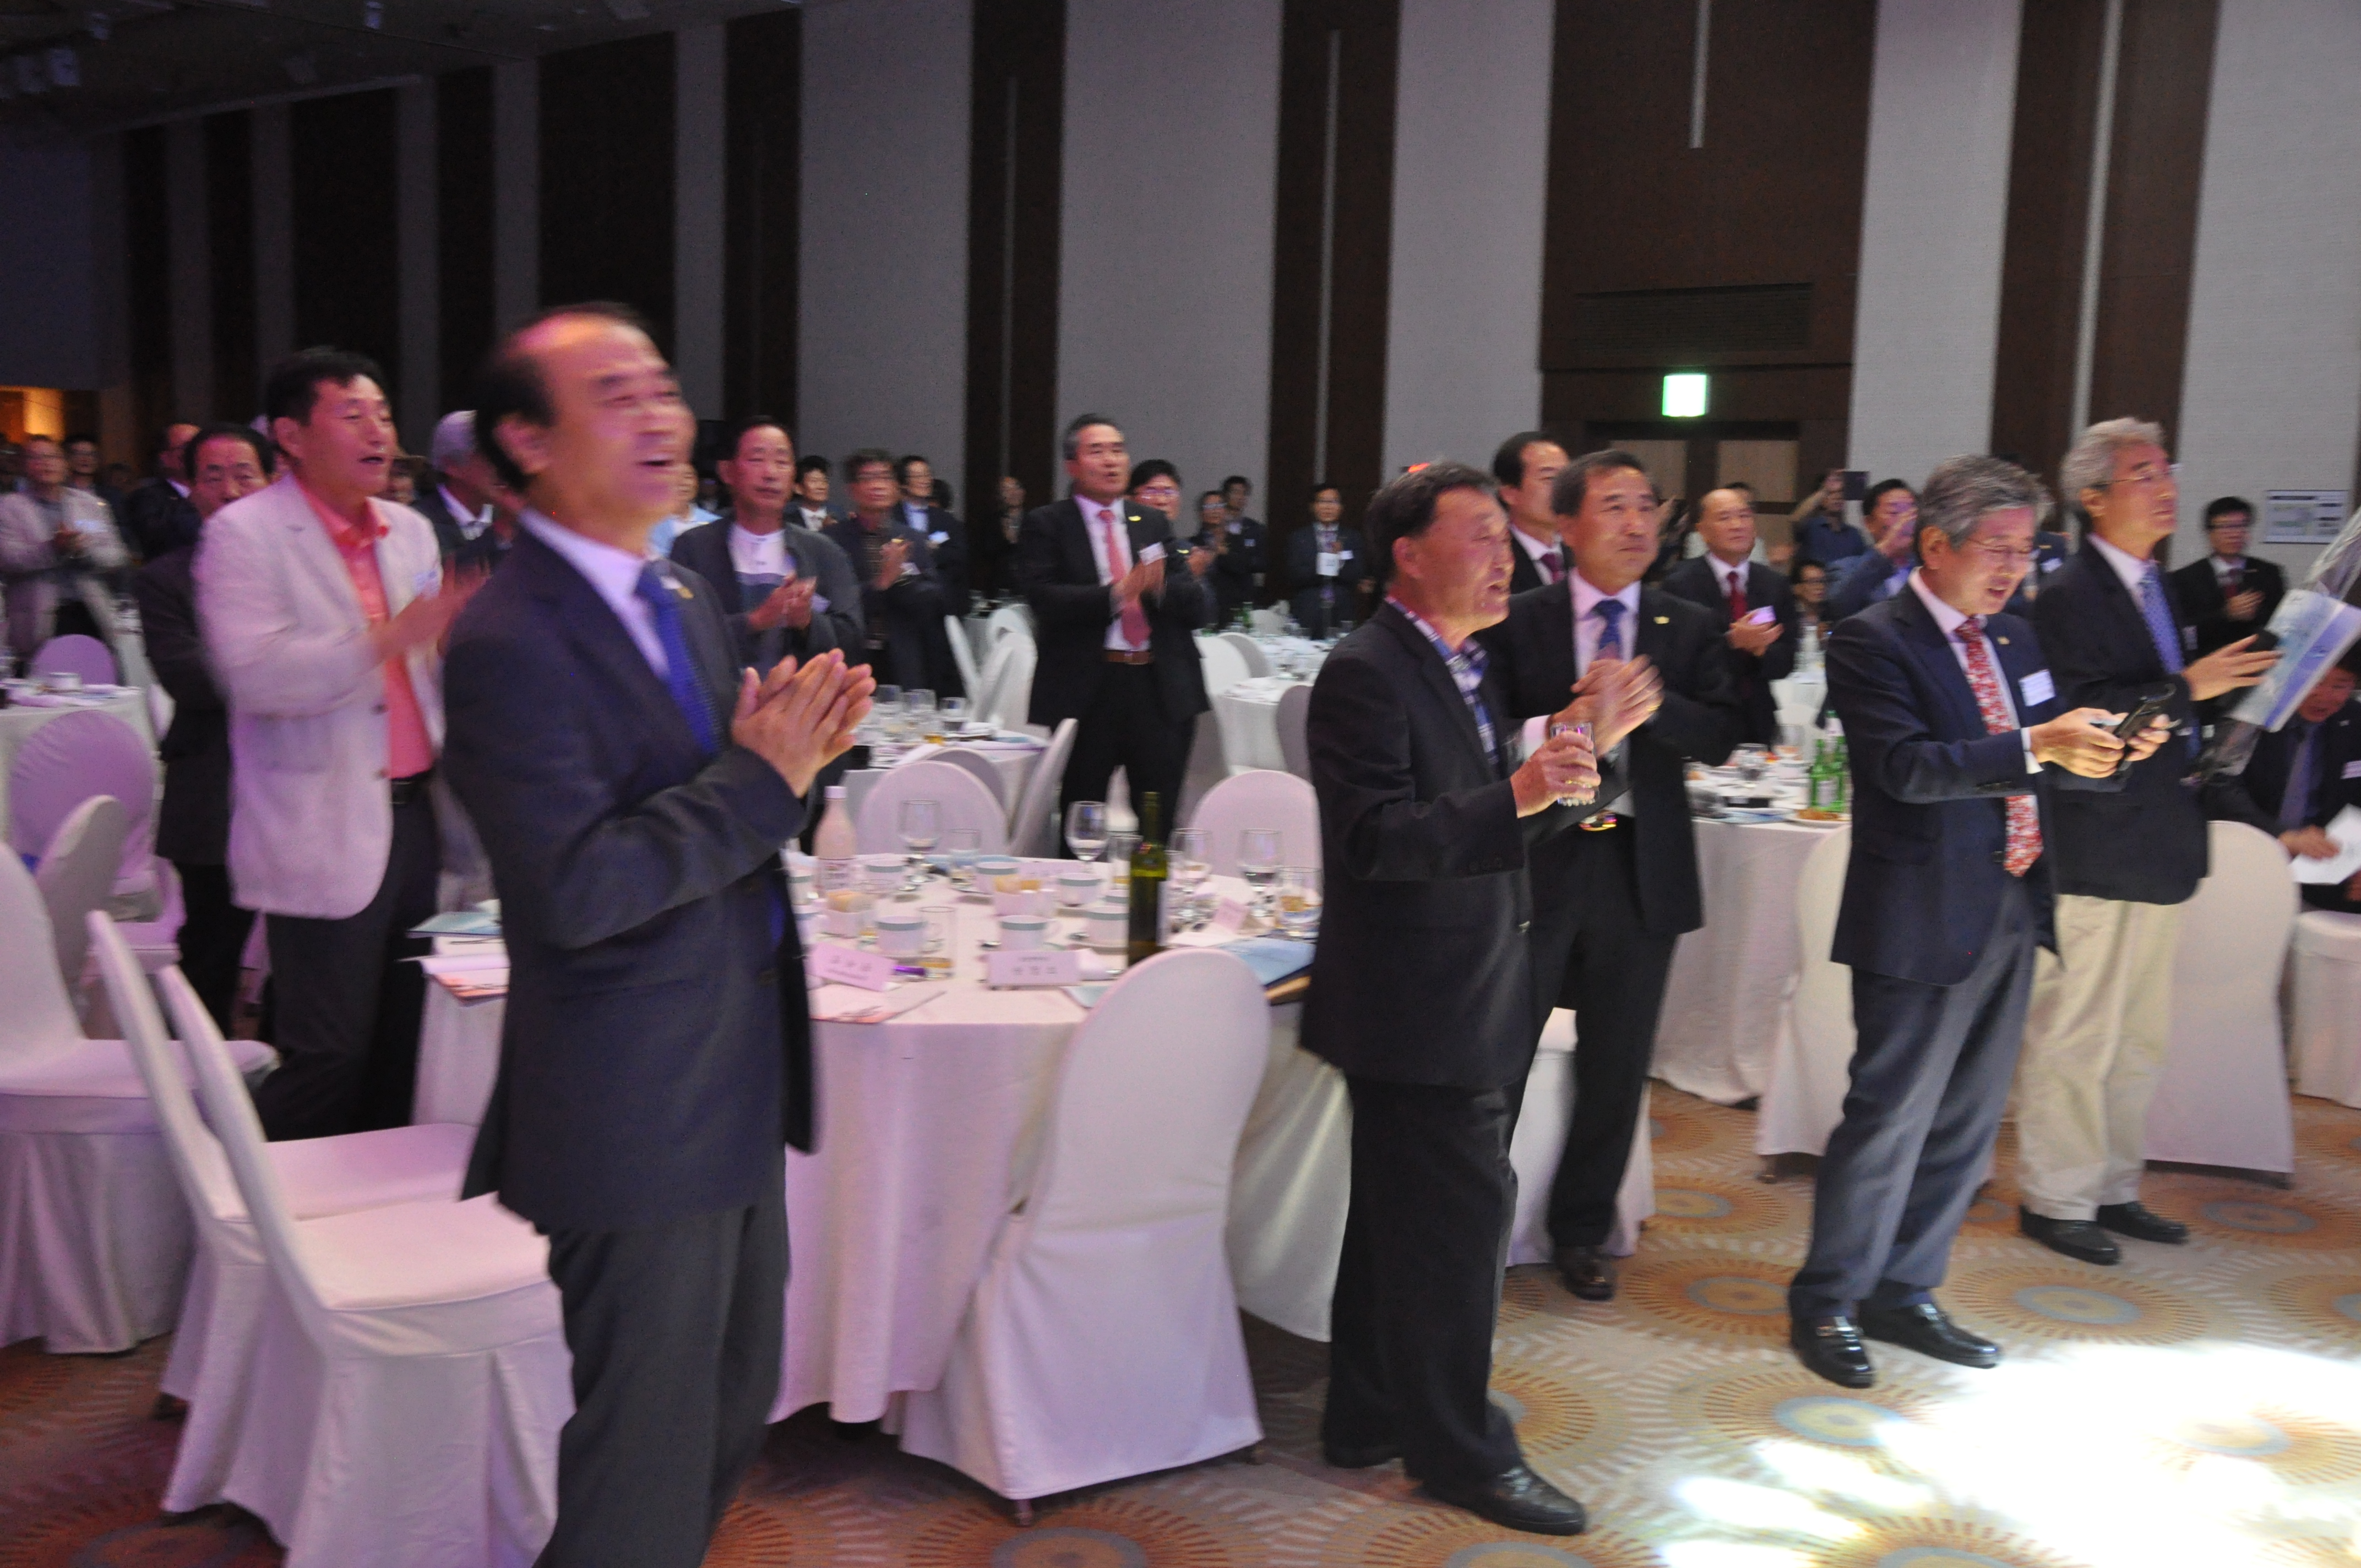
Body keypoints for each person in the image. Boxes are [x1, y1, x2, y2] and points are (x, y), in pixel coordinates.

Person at [443, 301, 872, 1568]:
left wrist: (789, 746)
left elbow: (716, 788)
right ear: (527, 440)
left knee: (728, 1406)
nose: (660, 418)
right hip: (630, 1100)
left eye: (663, 389)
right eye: (615, 395)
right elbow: (574, 889)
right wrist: (761, 778)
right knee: (642, 1450)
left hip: (732, 1068)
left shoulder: (679, 590)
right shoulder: (508, 636)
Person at [1788, 454, 2168, 1390]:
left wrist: (2111, 754)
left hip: (2010, 901)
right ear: (1934, 544)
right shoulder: (1872, 638)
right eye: (1994, 548)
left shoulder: (2015, 638)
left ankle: (1904, 1288)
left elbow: (2042, 763)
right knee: (1888, 1119)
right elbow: (1905, 769)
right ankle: (1828, 1299)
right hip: (1919, 912)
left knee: (1964, 1126)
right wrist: (2037, 743)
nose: (2011, 568)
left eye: (2025, 550)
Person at [1304, 461, 1598, 1535]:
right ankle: (1460, 1450)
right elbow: (1373, 839)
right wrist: (1516, 790)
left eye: (1500, 536)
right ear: (1407, 554)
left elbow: (1487, 828)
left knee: (1398, 1225)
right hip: (1414, 994)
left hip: (1464, 979)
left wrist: (1574, 776)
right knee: (1457, 1232)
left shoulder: (1460, 662)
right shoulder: (1365, 670)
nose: (1500, 556)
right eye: (1475, 534)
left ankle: (1365, 1413)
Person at [2016, 418, 2279, 1266]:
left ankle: (2112, 1185)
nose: (2167, 488)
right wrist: (2186, 687)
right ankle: (2056, 1198)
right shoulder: (2066, 595)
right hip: (2095, 843)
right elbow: (2085, 719)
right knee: (2079, 1032)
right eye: (2143, 475)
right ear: (2093, 498)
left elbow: (2163, 709)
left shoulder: (2158, 587)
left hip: (2159, 838)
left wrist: (2213, 709)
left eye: (2168, 471)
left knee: (2138, 1037)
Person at [1481, 449, 1739, 1301]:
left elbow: (1723, 735)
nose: (1636, 523)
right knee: (1500, 1055)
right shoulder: (1519, 617)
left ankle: (1581, 1231)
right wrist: (1569, 720)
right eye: (1614, 505)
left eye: (1646, 507)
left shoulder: (1684, 622)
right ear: (1566, 525)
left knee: (1617, 1065)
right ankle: (1476, 1226)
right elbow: (1487, 731)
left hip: (1640, 866)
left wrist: (1651, 706)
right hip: (1540, 862)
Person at [197, 346, 472, 1140]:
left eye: (383, 414)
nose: (379, 430)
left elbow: (423, 668)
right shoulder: (246, 535)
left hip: (416, 819)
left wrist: (455, 646)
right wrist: (387, 639)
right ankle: (244, 1194)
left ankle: (374, 1196)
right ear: (291, 435)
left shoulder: (410, 532)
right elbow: (255, 676)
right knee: (330, 1055)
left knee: (405, 1043)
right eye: (352, 415)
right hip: (320, 823)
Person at [130, 424, 274, 1028]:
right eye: (212, 476)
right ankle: (194, 1062)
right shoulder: (166, 579)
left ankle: (284, 1064)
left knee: (303, 950)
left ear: (272, 481)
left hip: (301, 780)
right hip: (214, 783)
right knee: (214, 944)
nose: (230, 489)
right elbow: (189, 678)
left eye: (244, 474)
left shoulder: (305, 568)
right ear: (190, 488)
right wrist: (296, 671)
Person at [1016, 413, 1211, 826]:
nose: (1111, 461)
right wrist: (1119, 593)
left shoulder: (1150, 521)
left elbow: (1195, 606)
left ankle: (1153, 871)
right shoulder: (1048, 524)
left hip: (1157, 687)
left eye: (1118, 451)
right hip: (1089, 687)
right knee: (1082, 816)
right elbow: (1044, 599)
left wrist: (1156, 587)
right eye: (1097, 451)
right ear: (1072, 465)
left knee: (1157, 820)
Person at [670, 415, 855, 672]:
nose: (771, 474)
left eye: (782, 462)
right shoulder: (693, 548)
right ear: (727, 471)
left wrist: (807, 621)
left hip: (798, 694)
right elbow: (676, 634)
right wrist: (755, 621)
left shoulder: (823, 551)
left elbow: (852, 639)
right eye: (757, 460)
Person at [2213, 651, 2361, 911]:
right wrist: (2282, 836)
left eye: (2340, 686)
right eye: (2315, 681)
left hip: (2322, 872)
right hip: (2242, 857)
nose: (2324, 696)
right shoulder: (2253, 712)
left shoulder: (2354, 721)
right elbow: (2219, 784)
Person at [1661, 486, 1797, 747]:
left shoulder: (1774, 584)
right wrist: (1732, 642)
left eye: (1745, 516)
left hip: (1758, 720)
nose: (1738, 525)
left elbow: (1787, 662)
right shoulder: (1680, 584)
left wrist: (1760, 650)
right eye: (1725, 518)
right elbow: (1676, 661)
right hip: (1700, 719)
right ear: (1702, 531)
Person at [824, 449, 962, 694]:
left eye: (885, 477)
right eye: (868, 478)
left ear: (897, 487)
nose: (878, 485)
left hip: (904, 656)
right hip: (852, 656)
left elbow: (936, 598)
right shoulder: (832, 541)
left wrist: (902, 577)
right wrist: (881, 582)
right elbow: (832, 604)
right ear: (851, 489)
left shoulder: (912, 538)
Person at [0, 433, 130, 662]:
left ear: (64, 463)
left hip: (90, 611)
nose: (45, 463)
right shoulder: (9, 507)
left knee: (100, 676)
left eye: (52, 457)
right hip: (38, 618)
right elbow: (8, 558)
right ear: (23, 466)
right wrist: (52, 549)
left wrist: (83, 552)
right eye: (36, 458)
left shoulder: (90, 504)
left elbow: (116, 554)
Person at [2172, 497, 2287, 660]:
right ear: (2209, 533)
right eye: (2226, 527)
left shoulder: (2269, 573)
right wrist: (2225, 614)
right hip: (2207, 663)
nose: (2235, 534)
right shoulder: (2184, 578)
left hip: (2257, 662)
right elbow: (2181, 631)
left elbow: (2282, 624)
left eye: (2242, 526)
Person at [413, 410, 503, 560]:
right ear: (452, 465)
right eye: (489, 455)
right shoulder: (416, 524)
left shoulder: (512, 519)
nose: (502, 465)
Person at [1285, 483, 1373, 636]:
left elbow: (1357, 574)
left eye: (1333, 502)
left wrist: (1340, 562)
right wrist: (1326, 563)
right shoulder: (1299, 538)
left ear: (1341, 507)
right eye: (1322, 501)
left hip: (1342, 610)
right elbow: (1294, 575)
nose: (1328, 507)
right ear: (1313, 507)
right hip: (1308, 610)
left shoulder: (1352, 537)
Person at [1824, 480, 1918, 620]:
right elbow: (1837, 608)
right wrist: (1886, 550)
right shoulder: (1846, 569)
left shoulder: (1927, 568)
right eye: (1894, 512)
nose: (1906, 520)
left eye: (1912, 512)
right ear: (1869, 523)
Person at [1492, 431, 1571, 595]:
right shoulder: (1493, 559)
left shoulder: (1584, 555)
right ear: (1510, 493)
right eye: (1550, 478)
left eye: (1568, 478)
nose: (1564, 489)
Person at [895, 454, 970, 616]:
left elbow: (959, 554)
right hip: (901, 602)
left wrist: (927, 552)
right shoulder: (891, 517)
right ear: (904, 483)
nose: (925, 480)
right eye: (918, 476)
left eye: (927, 475)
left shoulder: (945, 519)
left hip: (940, 601)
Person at [122, 420, 201, 560]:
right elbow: (159, 540)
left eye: (200, 445)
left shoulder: (222, 492)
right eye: (187, 447)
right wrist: (195, 500)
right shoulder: (147, 497)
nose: (196, 453)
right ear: (165, 458)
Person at [1206, 481, 1266, 625]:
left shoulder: (1255, 528)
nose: (1240, 497)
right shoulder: (1215, 525)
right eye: (1235, 492)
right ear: (1225, 496)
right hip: (1218, 592)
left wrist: (1239, 558)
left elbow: (1263, 563)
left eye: (1244, 493)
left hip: (1244, 592)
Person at [1790, 469, 1868, 569]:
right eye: (1831, 493)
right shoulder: (1811, 527)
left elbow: (1863, 566)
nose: (1838, 497)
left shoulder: (1854, 534)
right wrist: (1825, 489)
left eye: (1841, 492)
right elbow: (1796, 518)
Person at [64, 432, 128, 521]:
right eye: (79, 454)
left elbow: (121, 525)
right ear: (67, 458)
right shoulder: (59, 493)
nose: (85, 459)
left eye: (91, 454)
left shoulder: (112, 495)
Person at [794, 456, 837, 530]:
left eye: (825, 481)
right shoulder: (786, 518)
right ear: (798, 488)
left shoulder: (840, 516)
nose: (822, 487)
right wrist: (825, 531)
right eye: (814, 481)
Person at [1791, 558, 1830, 639]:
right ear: (1797, 588)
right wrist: (1813, 636)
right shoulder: (1786, 614)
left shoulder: (1833, 612)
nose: (1820, 587)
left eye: (1822, 581)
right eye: (1812, 582)